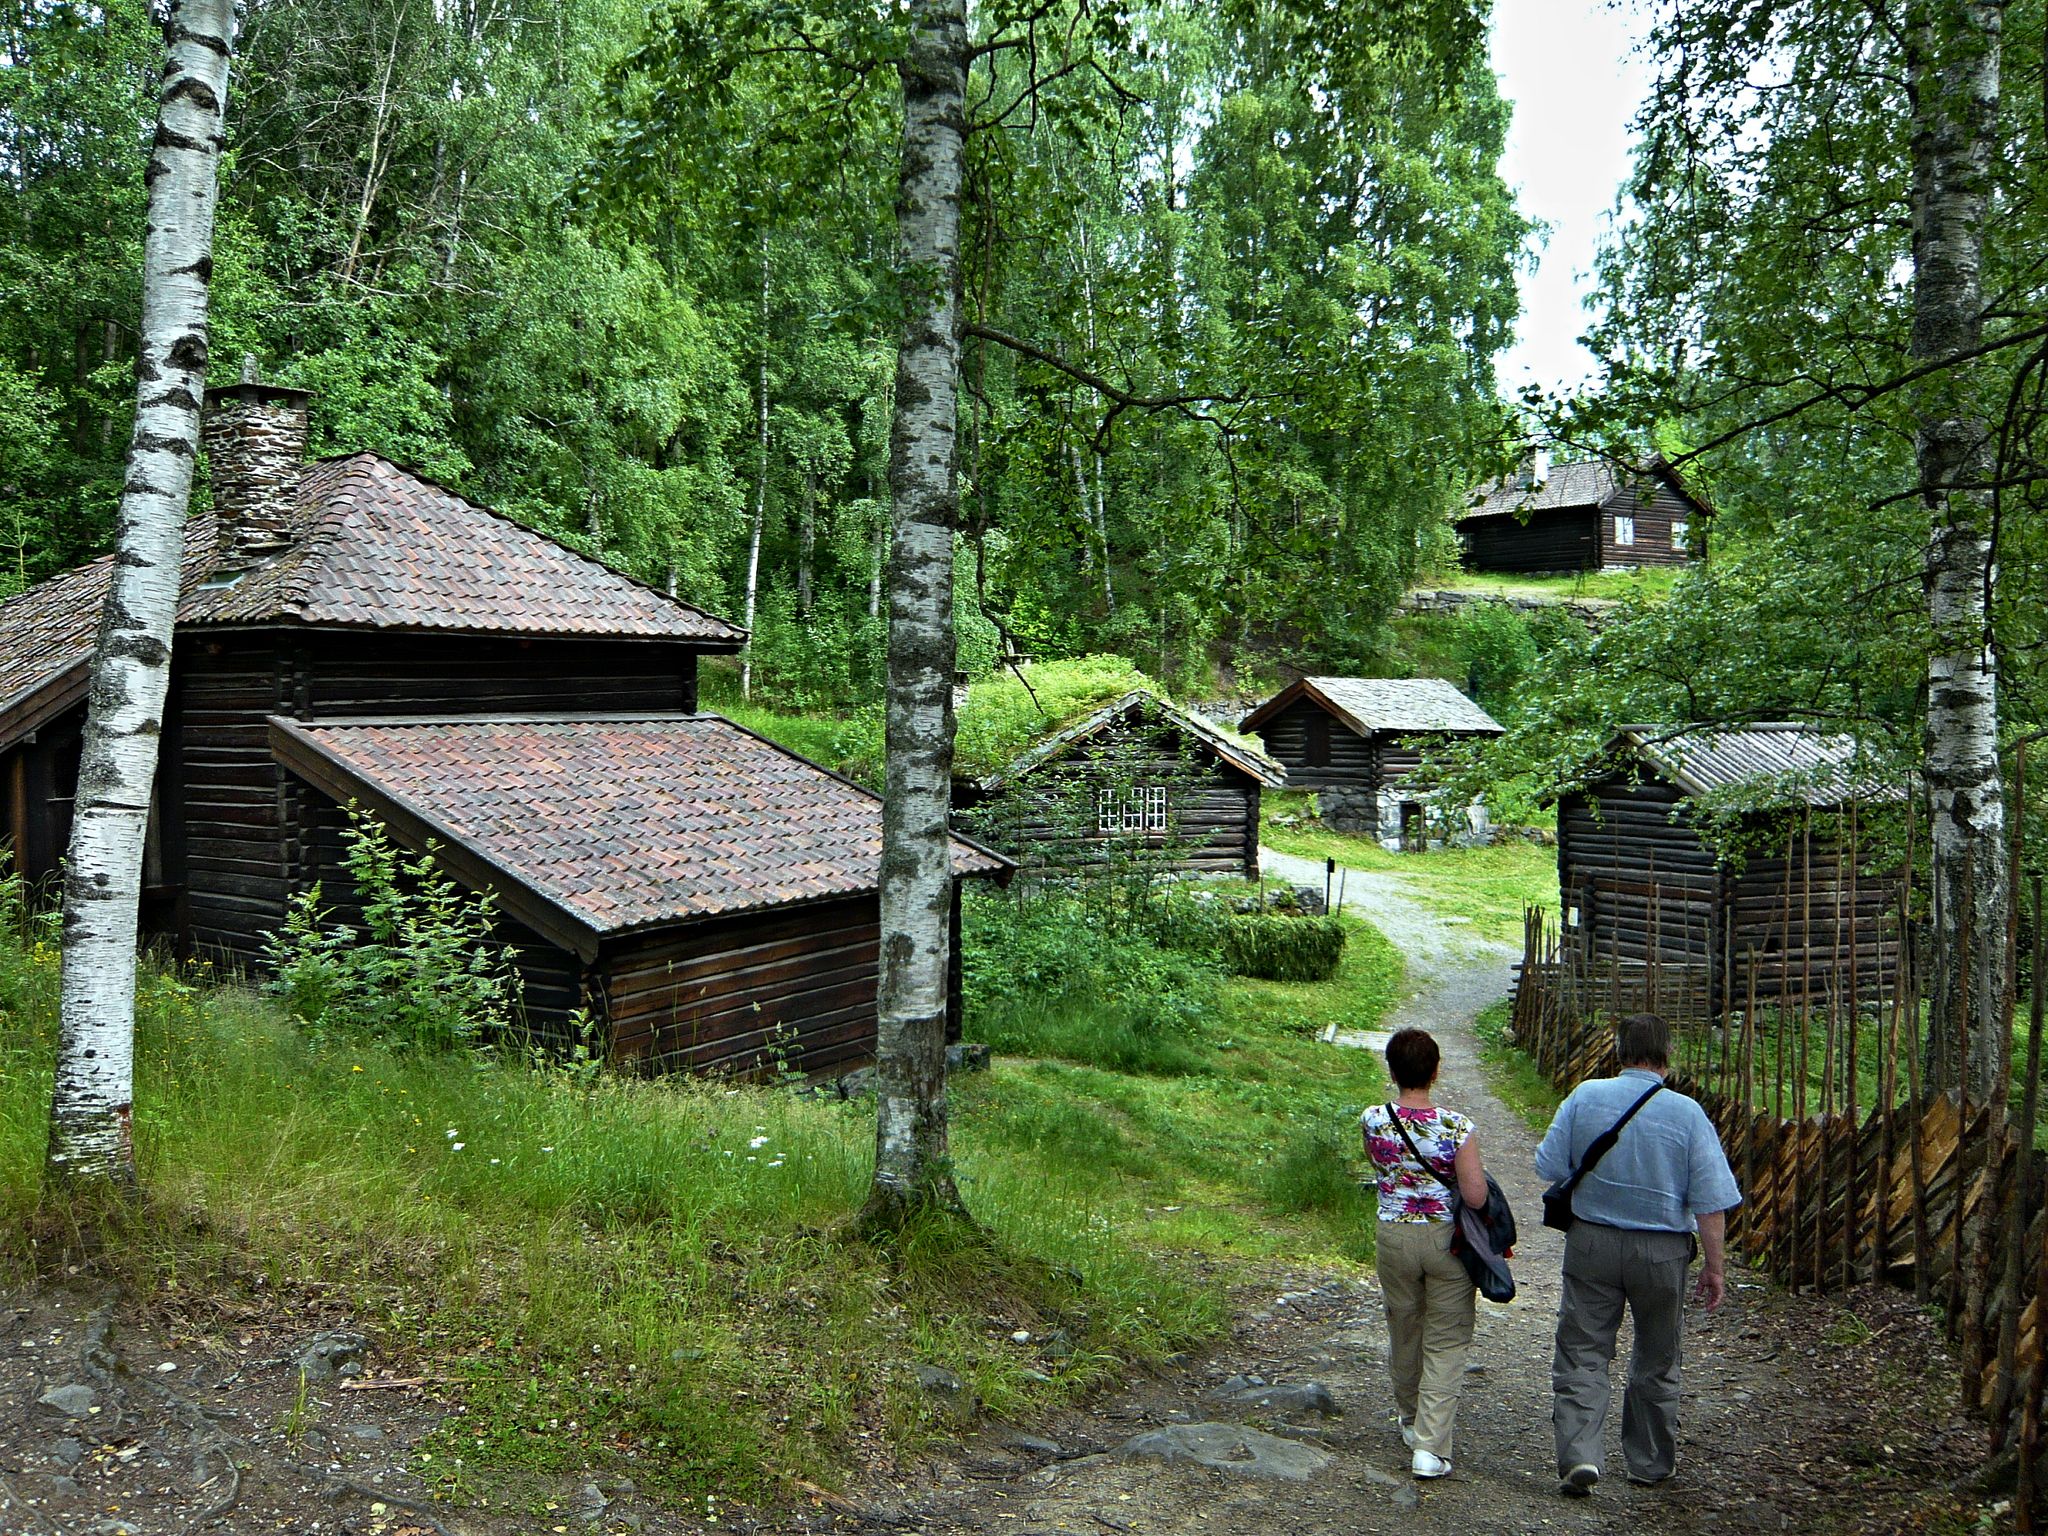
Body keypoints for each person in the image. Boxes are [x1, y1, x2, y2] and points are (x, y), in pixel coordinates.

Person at [1534, 1012, 1742, 1498]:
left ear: (1621, 1053)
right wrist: (1715, 1268)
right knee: (1657, 1356)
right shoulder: (1687, 1113)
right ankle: (1648, 1463)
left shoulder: (1585, 1096)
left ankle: (1580, 1456)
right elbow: (1711, 1200)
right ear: (1667, 1056)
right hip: (1662, 1252)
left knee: (1583, 1350)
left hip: (1591, 1243)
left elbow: (1547, 1164)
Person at [1360, 1026, 1492, 1480]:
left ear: (1391, 1069)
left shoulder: (1374, 1119)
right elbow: (1475, 1198)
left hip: (1393, 1235)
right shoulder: (1457, 1126)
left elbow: (1380, 1167)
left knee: (1404, 1325)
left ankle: (1408, 1417)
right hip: (1445, 1240)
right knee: (1447, 1338)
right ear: (1436, 1071)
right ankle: (1430, 1447)